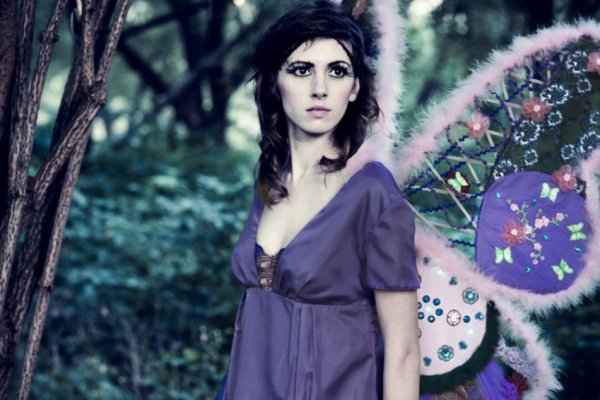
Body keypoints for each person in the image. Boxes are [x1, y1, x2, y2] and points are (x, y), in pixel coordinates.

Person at [216, 1, 420, 399]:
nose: (320, 88)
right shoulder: (270, 179)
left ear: (355, 87)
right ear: (275, 81)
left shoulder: (372, 192)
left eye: (337, 71)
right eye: (301, 69)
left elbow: (404, 352)